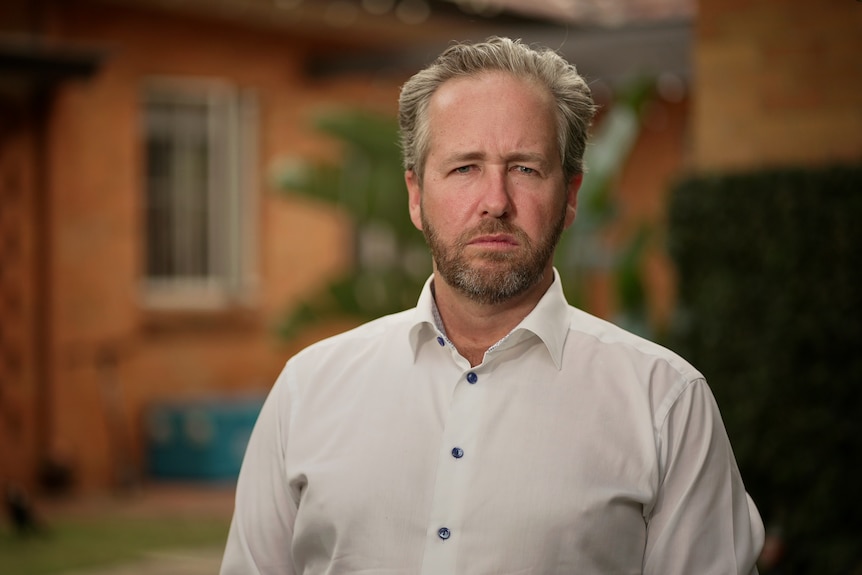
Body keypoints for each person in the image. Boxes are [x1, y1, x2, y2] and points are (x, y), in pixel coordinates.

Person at [220, 36, 764, 574]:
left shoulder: (664, 403)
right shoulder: (307, 390)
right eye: (465, 168)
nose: (496, 202)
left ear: (570, 195)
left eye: (525, 168)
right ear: (415, 194)